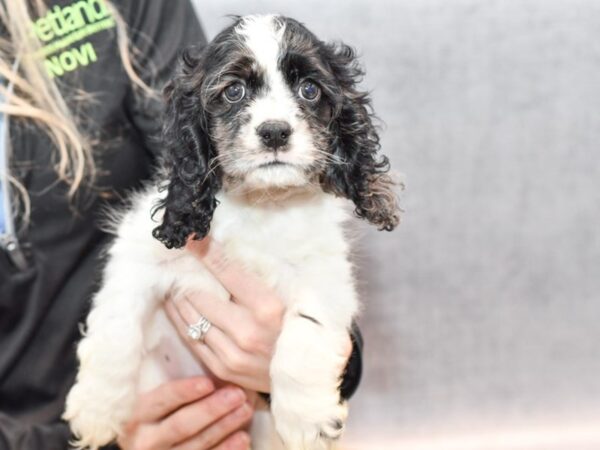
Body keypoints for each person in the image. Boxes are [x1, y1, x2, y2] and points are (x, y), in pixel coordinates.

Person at [0, 1, 363, 449]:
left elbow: (327, 299)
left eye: (308, 91)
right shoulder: (172, 203)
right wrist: (105, 402)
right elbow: (136, 267)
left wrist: (324, 366)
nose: (275, 123)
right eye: (234, 93)